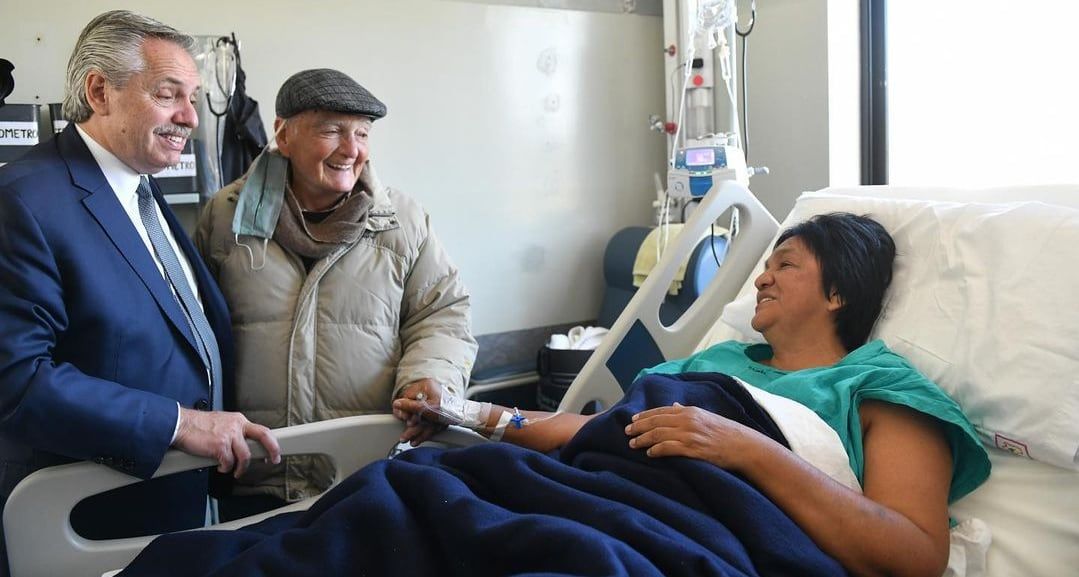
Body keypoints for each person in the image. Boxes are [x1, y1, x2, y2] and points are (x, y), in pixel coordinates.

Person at [394, 213, 991, 577]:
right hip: (597, 497)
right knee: (411, 488)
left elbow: (913, 555)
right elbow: (605, 431)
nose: (761, 277)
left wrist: (746, 447)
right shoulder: (714, 363)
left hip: (681, 538)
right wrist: (470, 413)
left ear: (838, 293)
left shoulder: (880, 388)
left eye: (785, 265)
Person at [0, 9, 281, 556]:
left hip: (175, 498)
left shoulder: (140, 190)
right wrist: (178, 424)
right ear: (100, 91)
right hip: (86, 517)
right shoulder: (22, 201)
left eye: (194, 97)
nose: (191, 118)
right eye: (168, 93)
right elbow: (16, 380)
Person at [195, 68, 477, 515]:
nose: (351, 150)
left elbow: (442, 313)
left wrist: (431, 379)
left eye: (362, 134)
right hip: (257, 472)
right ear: (283, 136)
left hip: (367, 469)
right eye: (332, 131)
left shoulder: (402, 220)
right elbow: (194, 329)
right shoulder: (225, 218)